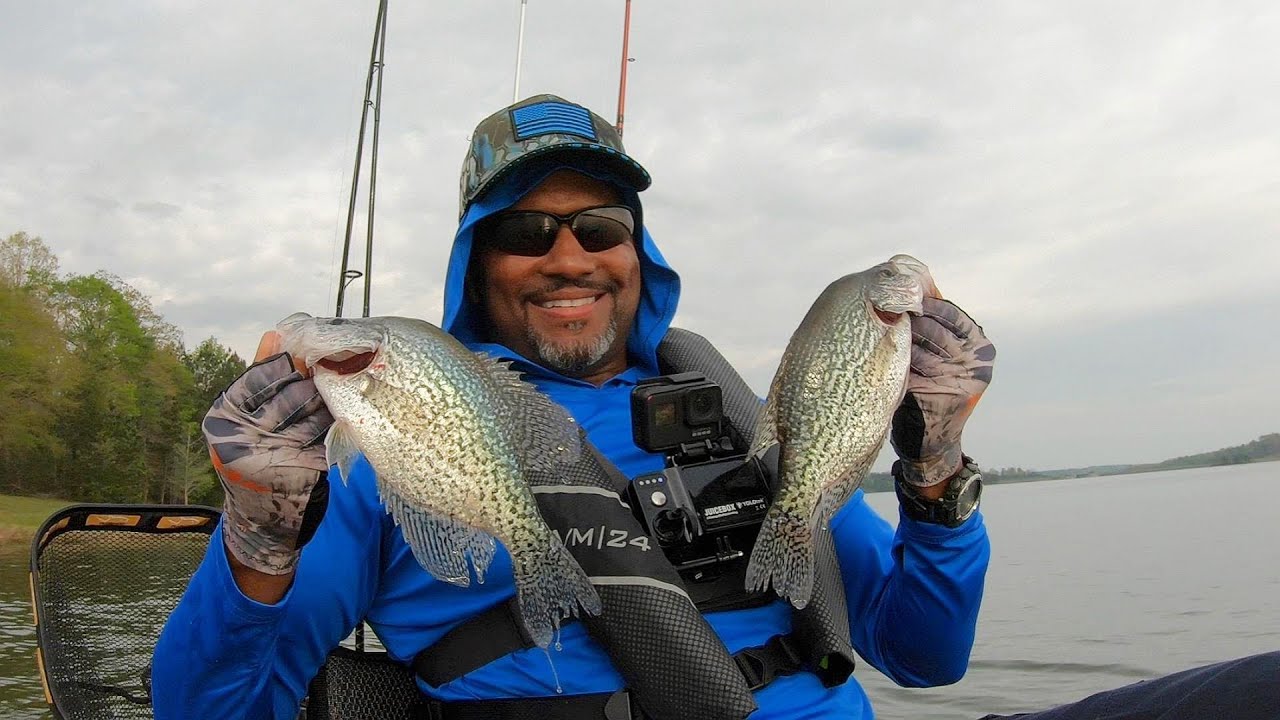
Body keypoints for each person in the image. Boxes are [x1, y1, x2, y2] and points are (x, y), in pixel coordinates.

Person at [151, 94, 1275, 719]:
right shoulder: (374, 444)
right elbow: (203, 712)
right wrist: (257, 532)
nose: (565, 256)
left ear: (638, 254)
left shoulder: (741, 420)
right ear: (471, 264)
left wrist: (933, 471)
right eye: (522, 231)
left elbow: (925, 658)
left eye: (598, 227)